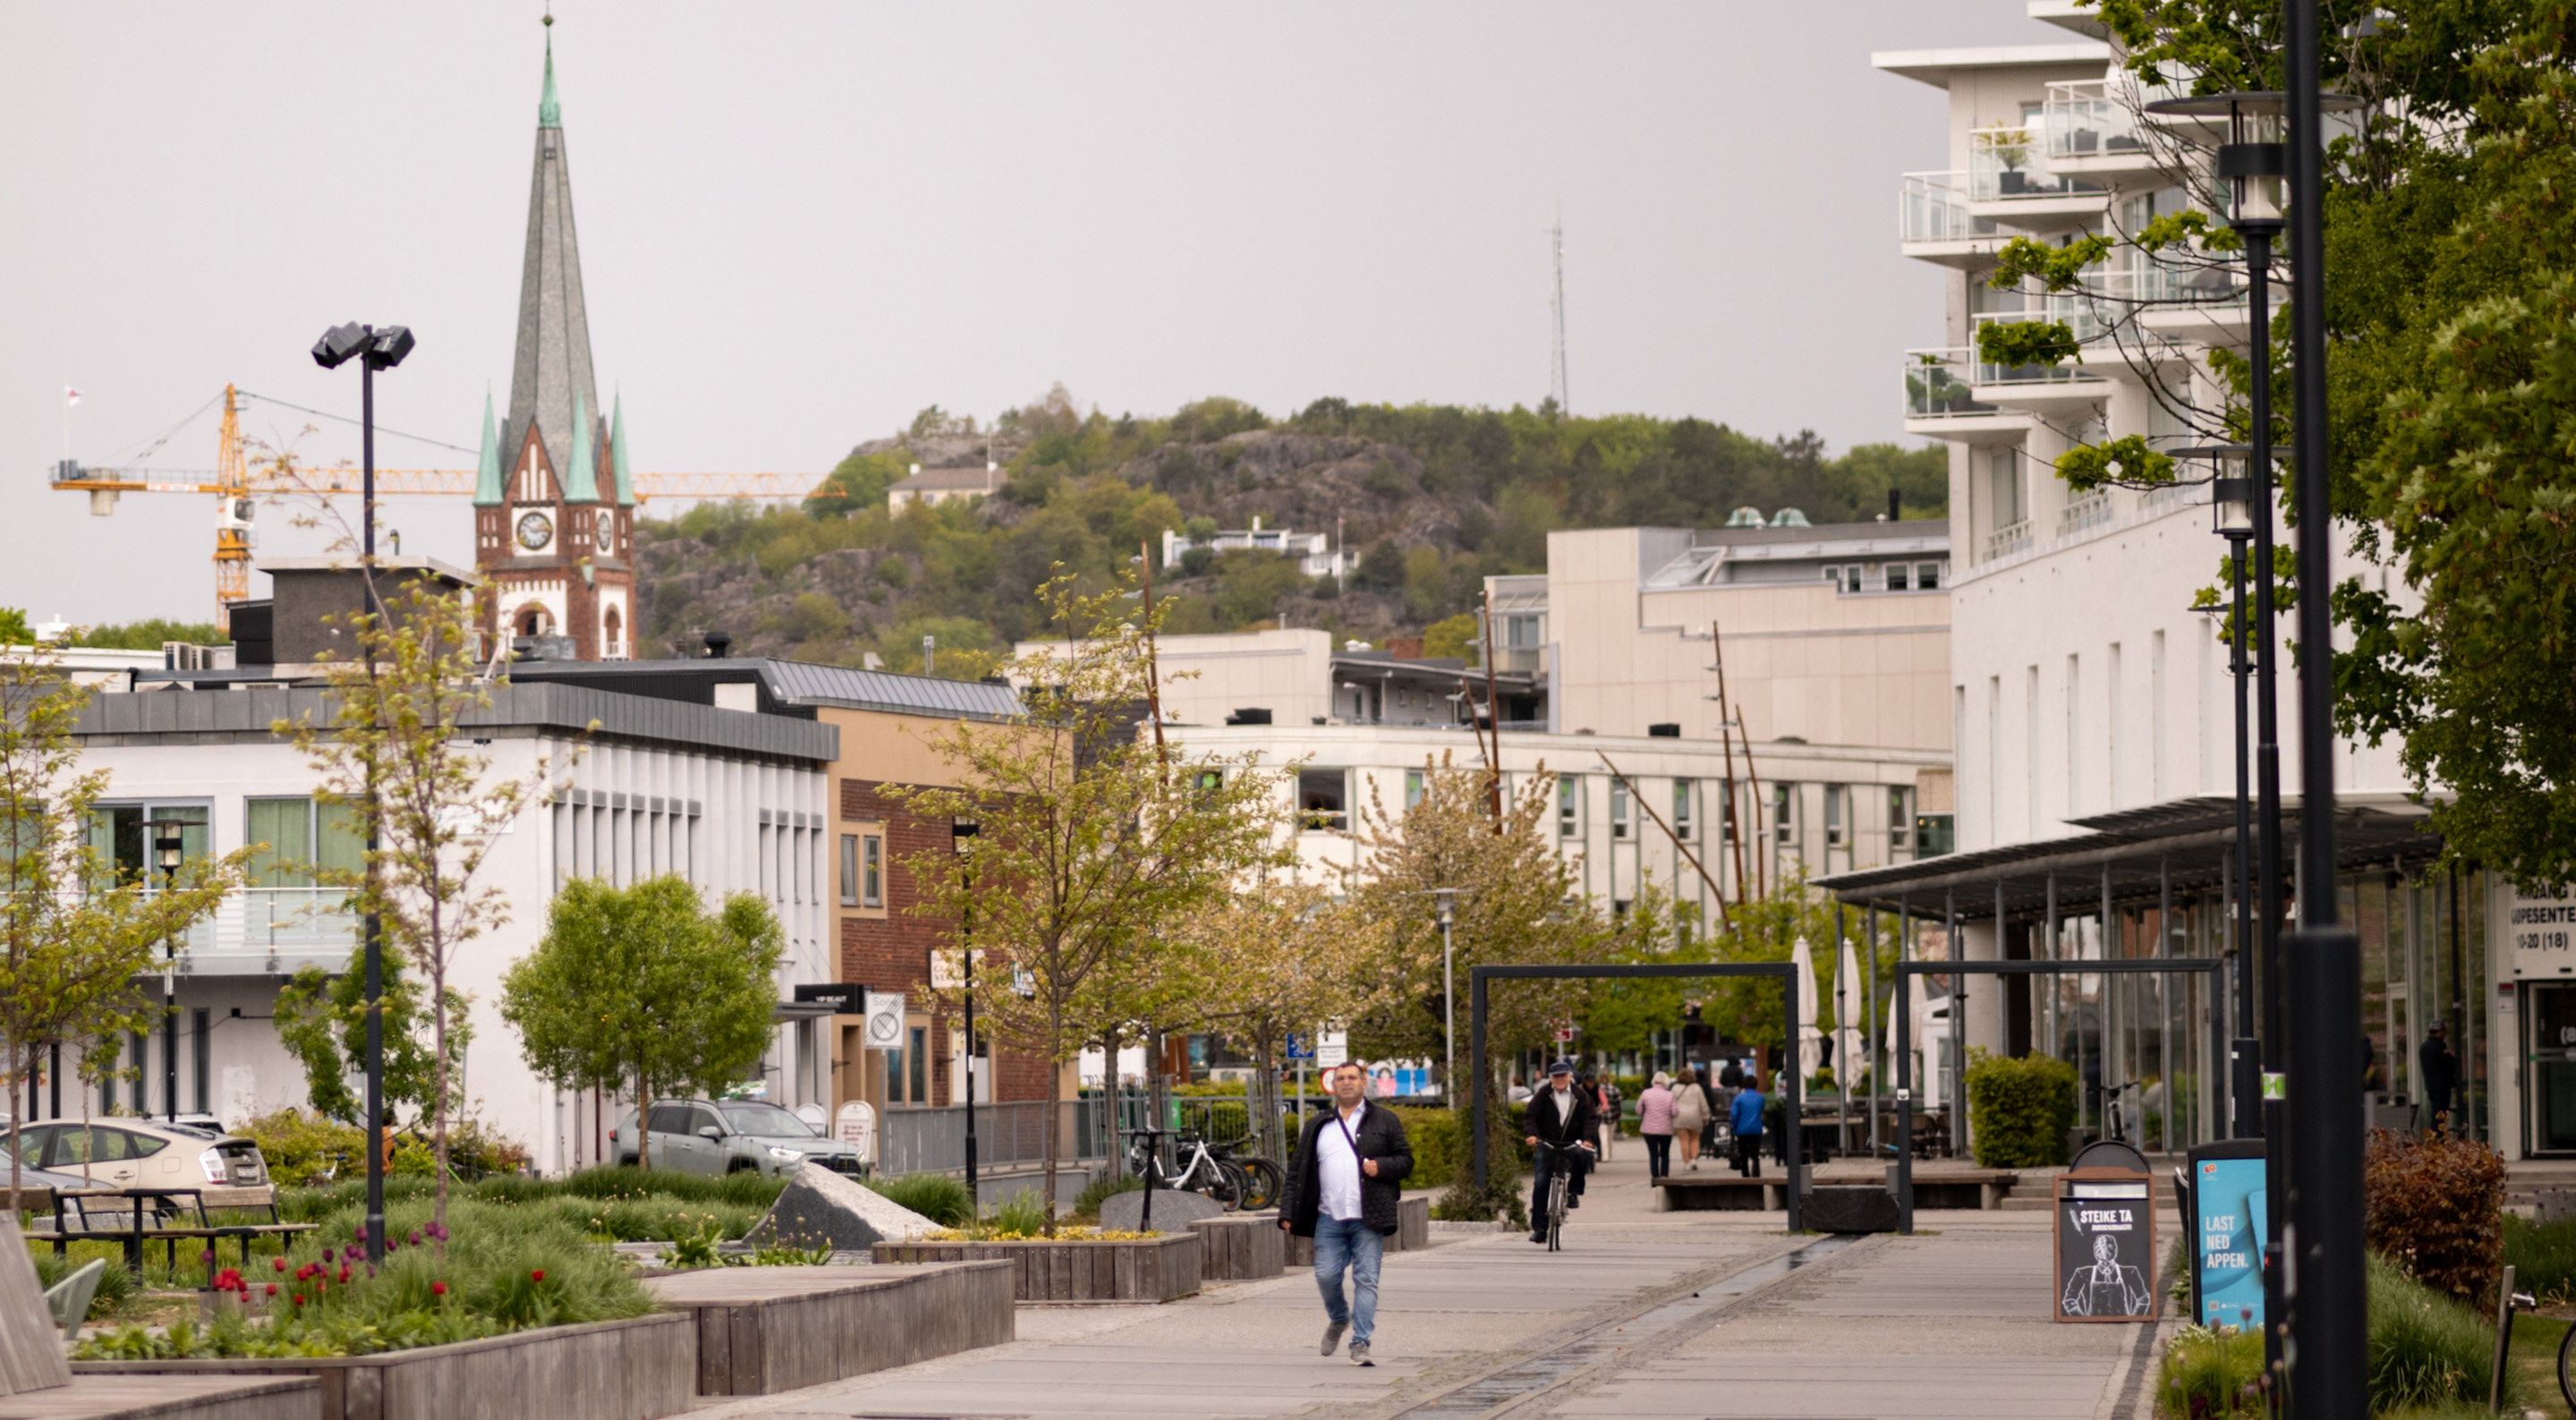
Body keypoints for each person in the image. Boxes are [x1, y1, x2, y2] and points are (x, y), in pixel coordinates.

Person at [1280, 1060, 1414, 1367]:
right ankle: (1339, 1318)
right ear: (1333, 1085)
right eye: (1340, 1078)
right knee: (1326, 1275)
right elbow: (1297, 1172)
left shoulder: (1385, 1120)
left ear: (1363, 1082)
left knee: (1366, 1279)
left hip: (1369, 1216)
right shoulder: (1318, 1125)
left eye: (1352, 1077)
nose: (1346, 1083)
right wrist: (1287, 1210)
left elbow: (1406, 1160)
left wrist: (1381, 1167)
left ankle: (1361, 1342)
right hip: (1329, 1216)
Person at [1524, 1059, 1596, 1242]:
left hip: (1573, 1142)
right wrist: (1532, 1135)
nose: (1559, 1079)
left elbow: (1590, 1118)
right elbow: (1531, 1115)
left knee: (1582, 1155)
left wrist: (1588, 1139)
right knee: (1541, 1184)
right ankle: (1540, 1229)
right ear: (1551, 1078)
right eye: (1556, 1076)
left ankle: (1573, 1192)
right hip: (1547, 1142)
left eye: (1563, 1075)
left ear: (1569, 1076)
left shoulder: (1580, 1095)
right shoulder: (1543, 1094)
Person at [2419, 1022, 2458, 1135]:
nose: (2445, 1034)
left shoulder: (2424, 1047)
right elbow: (2449, 1063)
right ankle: (2438, 1139)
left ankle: (2434, 1137)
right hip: (2442, 1085)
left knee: (2435, 1112)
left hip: (2431, 1085)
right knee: (2441, 1115)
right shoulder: (2439, 1046)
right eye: (2444, 1031)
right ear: (2439, 1031)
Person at [1638, 1072, 1677, 1179]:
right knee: (1665, 1154)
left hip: (1649, 1129)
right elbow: (1674, 1112)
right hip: (1666, 1129)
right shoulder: (1670, 1095)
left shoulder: (1646, 1093)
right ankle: (1664, 1176)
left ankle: (1655, 1177)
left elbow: (1639, 1110)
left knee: (1653, 1154)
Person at [1730, 1069, 1767, 1178]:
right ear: (1756, 1085)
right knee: (1755, 1154)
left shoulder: (1739, 1098)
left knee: (1743, 1153)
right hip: (1756, 1128)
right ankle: (1756, 1174)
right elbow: (1761, 1111)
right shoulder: (1760, 1098)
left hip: (1741, 1129)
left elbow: (1734, 1114)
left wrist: (1734, 1126)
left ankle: (1745, 1174)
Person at [1672, 1066, 1709, 1170]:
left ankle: (1686, 1162)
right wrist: (1706, 1117)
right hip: (1695, 1116)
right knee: (1695, 1139)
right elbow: (1703, 1104)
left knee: (1684, 1140)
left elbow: (1671, 1103)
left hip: (1680, 1117)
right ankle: (1694, 1160)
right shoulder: (1697, 1088)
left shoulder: (1675, 1088)